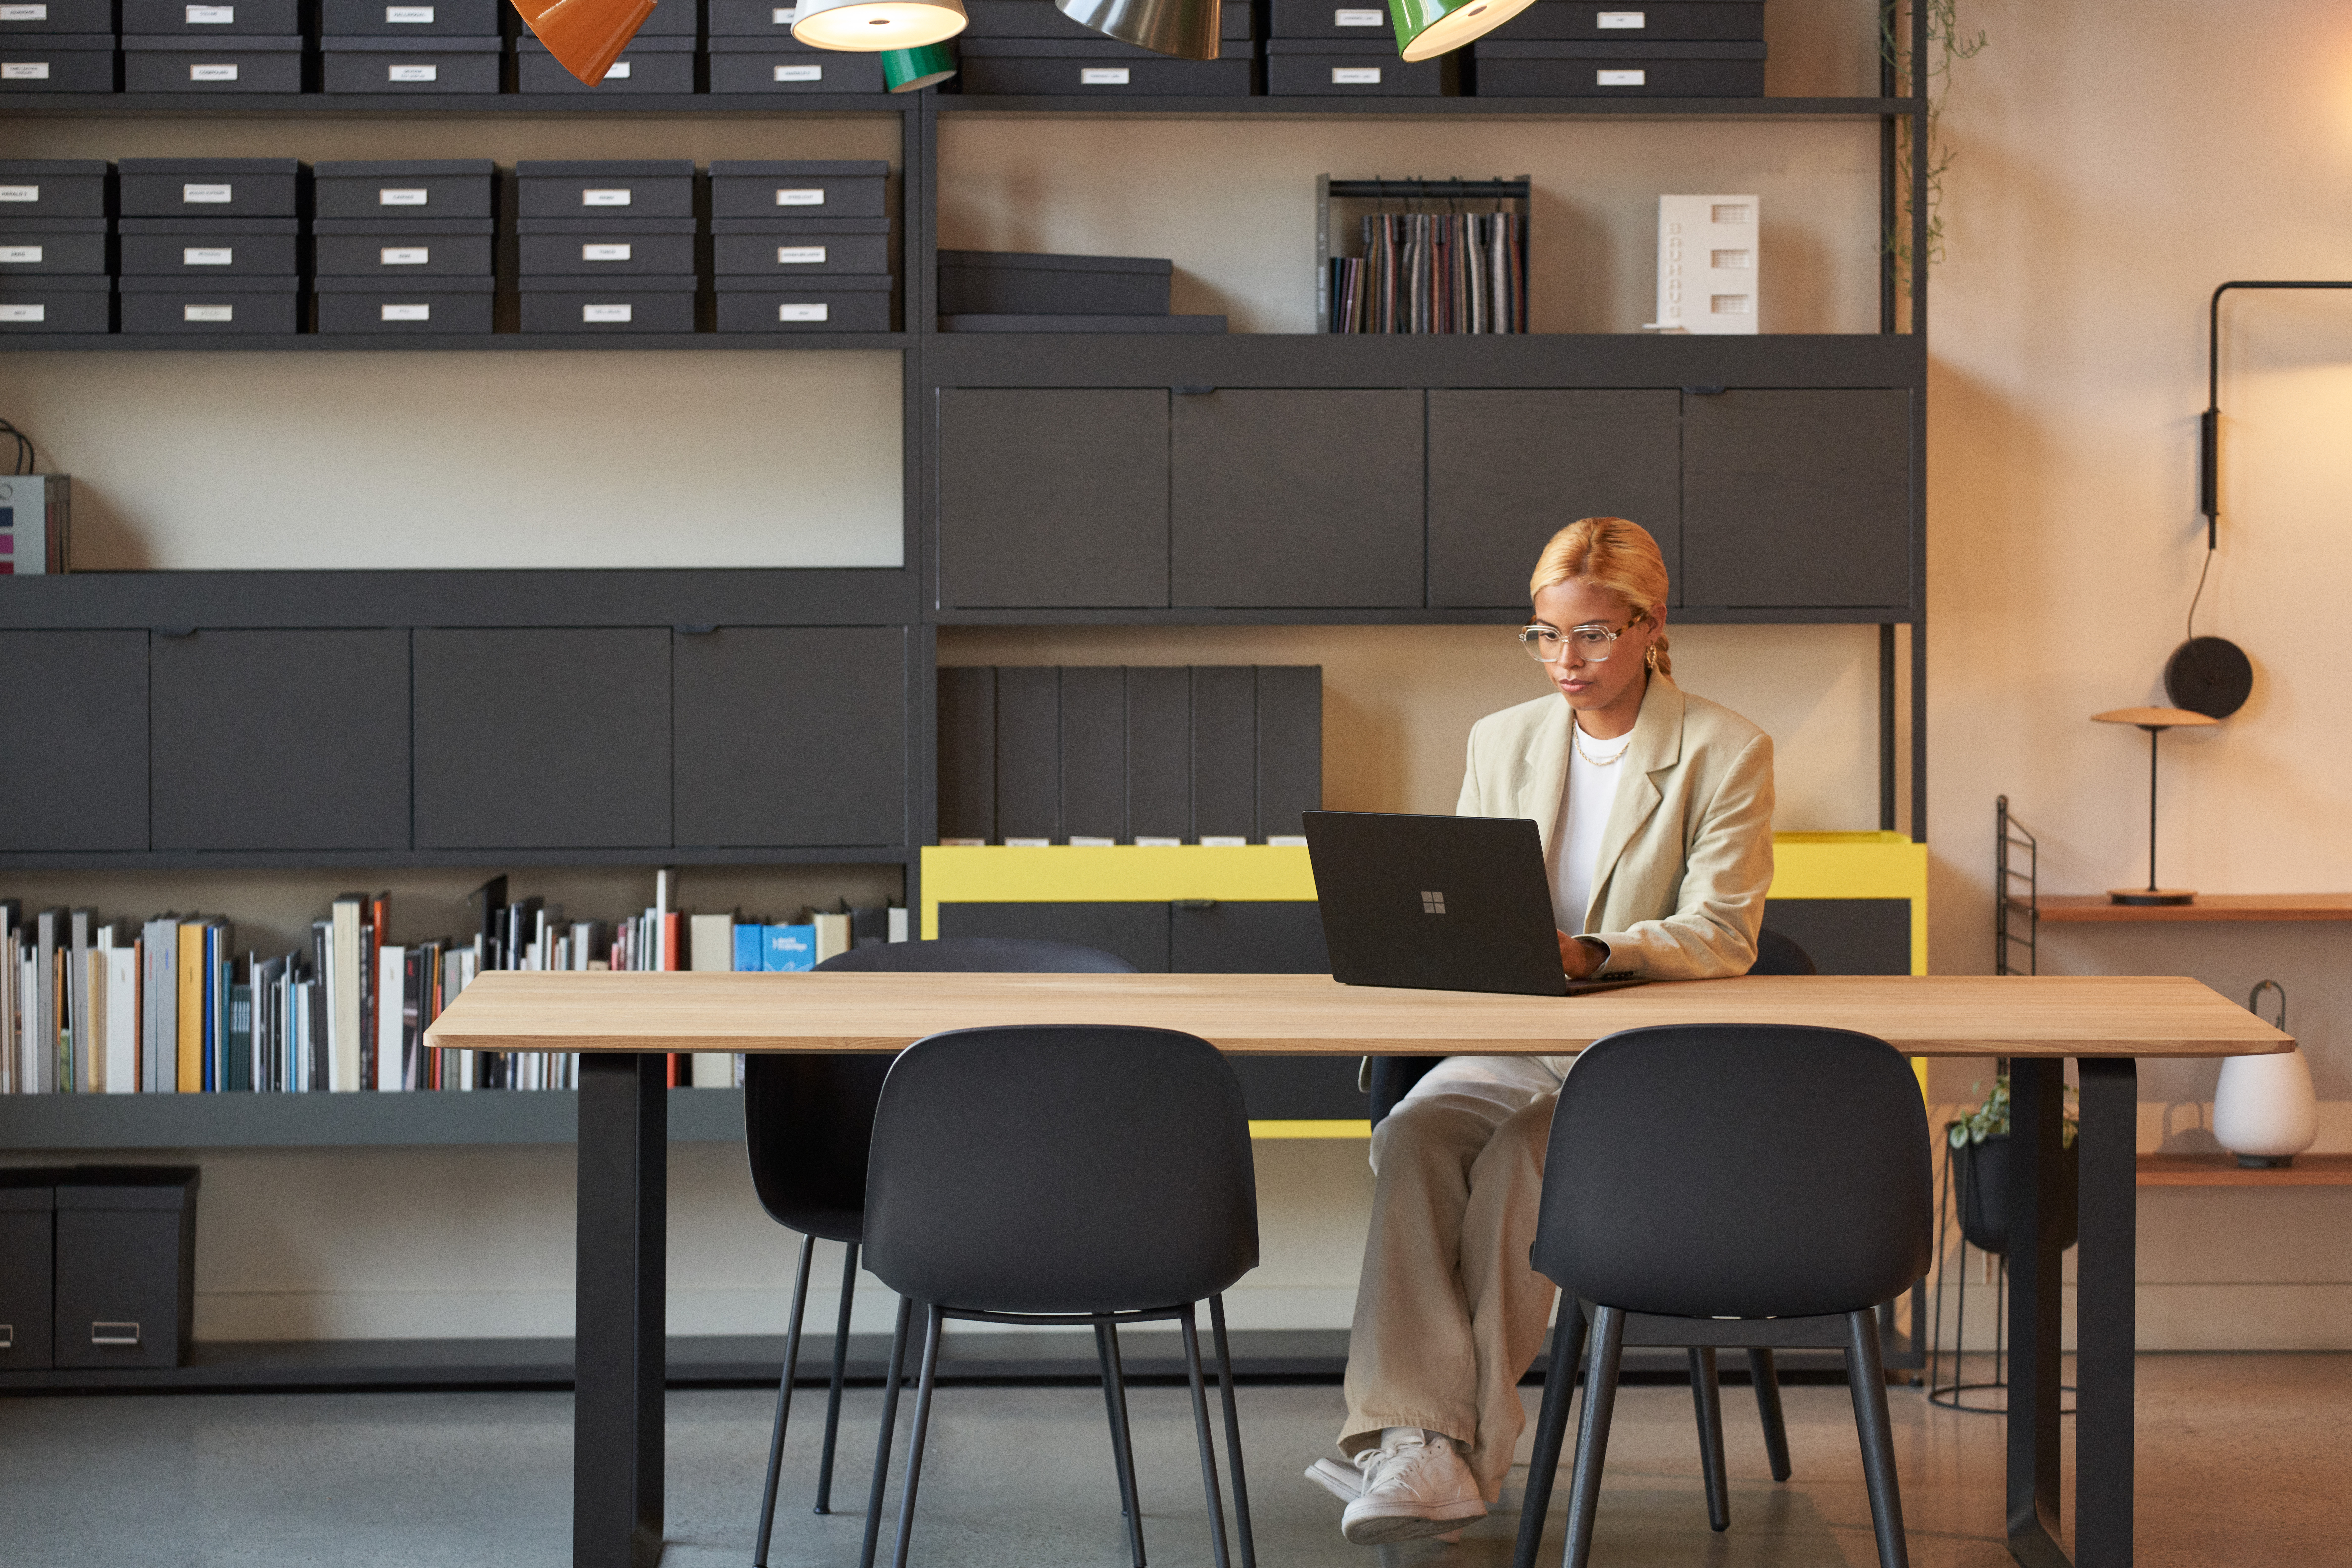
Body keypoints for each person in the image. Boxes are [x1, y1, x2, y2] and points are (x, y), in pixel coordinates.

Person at [1305, 516, 1777, 1546]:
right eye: (1546, 635)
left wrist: (1597, 953)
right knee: (1415, 1135)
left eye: (1594, 634)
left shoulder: (1726, 749)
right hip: (1508, 1037)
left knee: (1525, 1155)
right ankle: (1424, 1447)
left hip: (1637, 1063)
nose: (1568, 660)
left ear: (1651, 626)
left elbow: (1724, 934)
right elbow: (1463, 898)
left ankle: (1445, 1452)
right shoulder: (1502, 739)